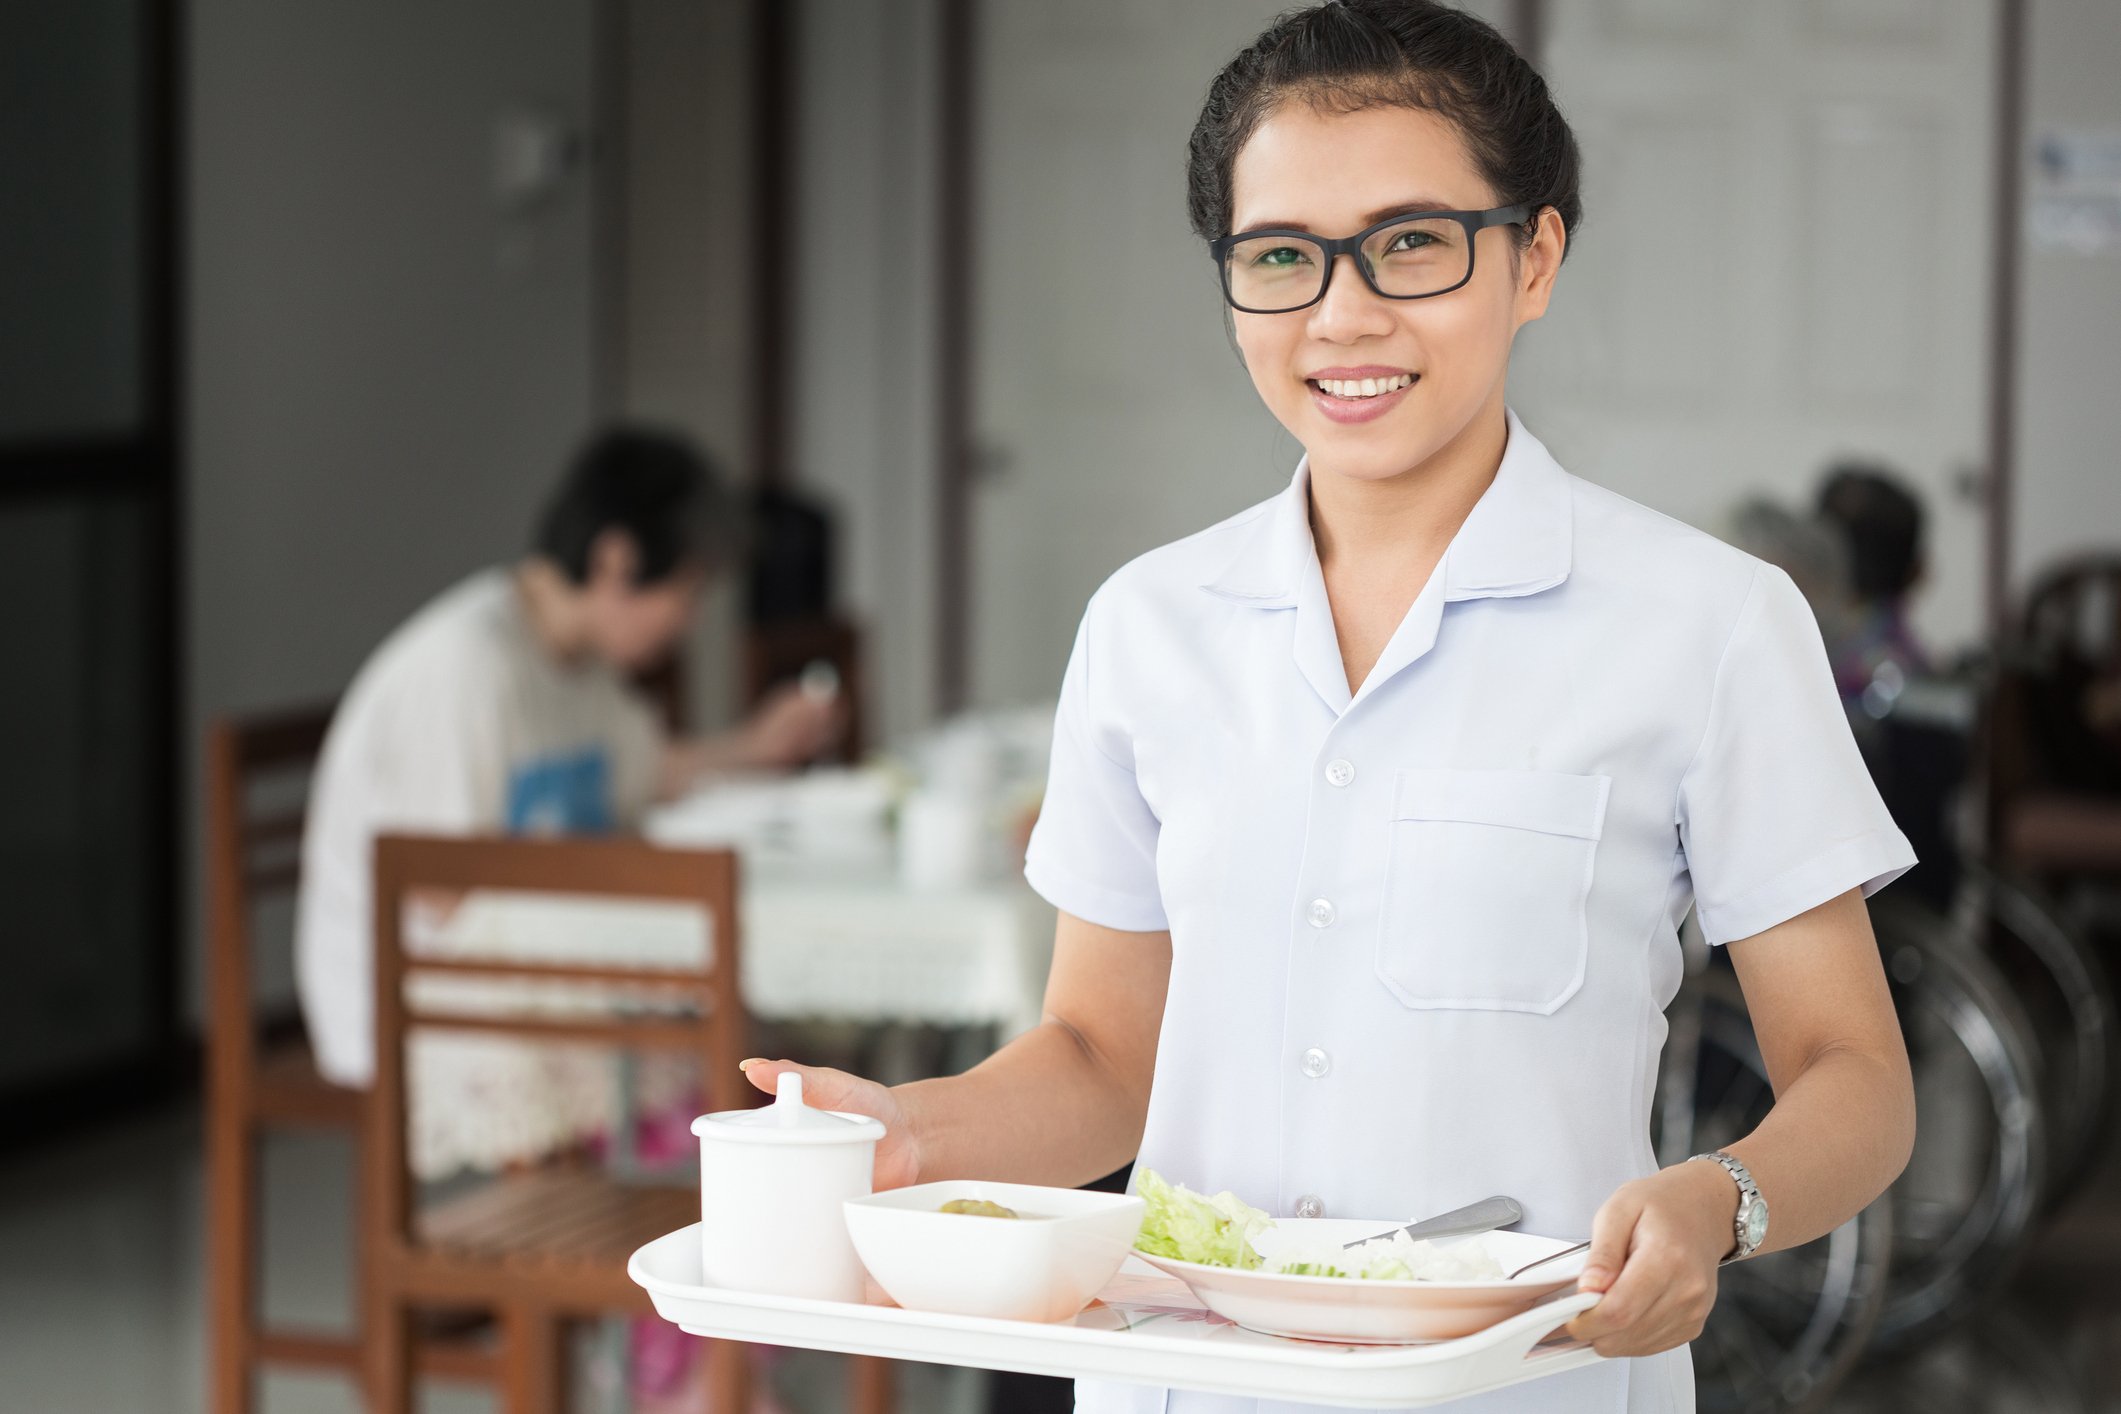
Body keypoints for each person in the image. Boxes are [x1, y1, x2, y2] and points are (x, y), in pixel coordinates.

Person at [742, 6, 1917, 1411]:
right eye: (1281, 258)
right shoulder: (1147, 627)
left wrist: (1720, 1196)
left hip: (1521, 1388)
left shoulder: (1709, 626)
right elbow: (1104, 1058)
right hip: (1181, 1383)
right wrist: (909, 1133)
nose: (1342, 314)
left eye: (1411, 243)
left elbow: (1857, 1077)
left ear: (1533, 256)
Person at [295, 426, 842, 1088]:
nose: (688, 622)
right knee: (726, 1032)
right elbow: (438, 886)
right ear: (615, 562)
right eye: (688, 592)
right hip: (412, 994)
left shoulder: (578, 663)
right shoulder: (467, 667)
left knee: (744, 1023)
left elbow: (647, 774)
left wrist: (754, 747)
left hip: (508, 960)